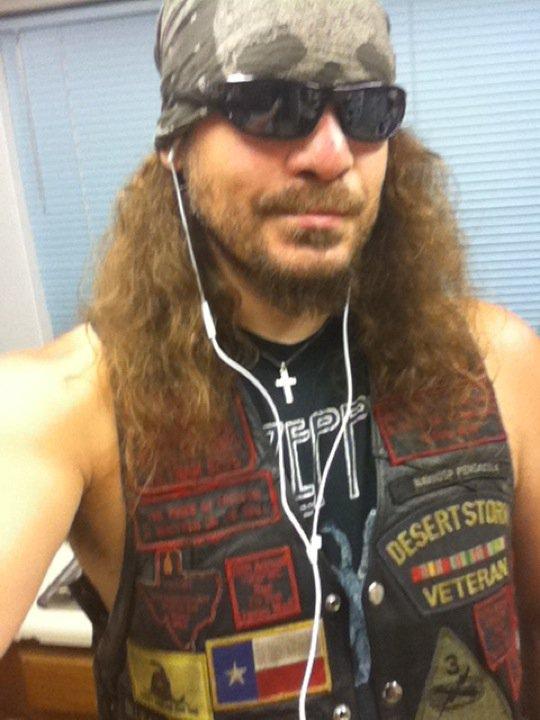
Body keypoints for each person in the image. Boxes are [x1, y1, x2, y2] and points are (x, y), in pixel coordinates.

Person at [0, 0, 539, 718]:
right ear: (177, 144)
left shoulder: (498, 364)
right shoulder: (69, 408)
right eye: (272, 105)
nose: (332, 154)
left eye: (366, 110)